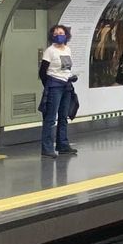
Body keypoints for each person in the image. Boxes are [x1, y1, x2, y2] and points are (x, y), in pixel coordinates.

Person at [38, 24, 78, 158]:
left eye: (61, 33)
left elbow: (66, 68)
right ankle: (47, 148)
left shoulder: (68, 49)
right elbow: (42, 71)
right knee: (50, 117)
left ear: (66, 35)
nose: (58, 35)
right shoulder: (50, 51)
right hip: (54, 85)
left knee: (63, 116)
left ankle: (62, 145)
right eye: (55, 34)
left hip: (66, 85)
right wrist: (49, 85)